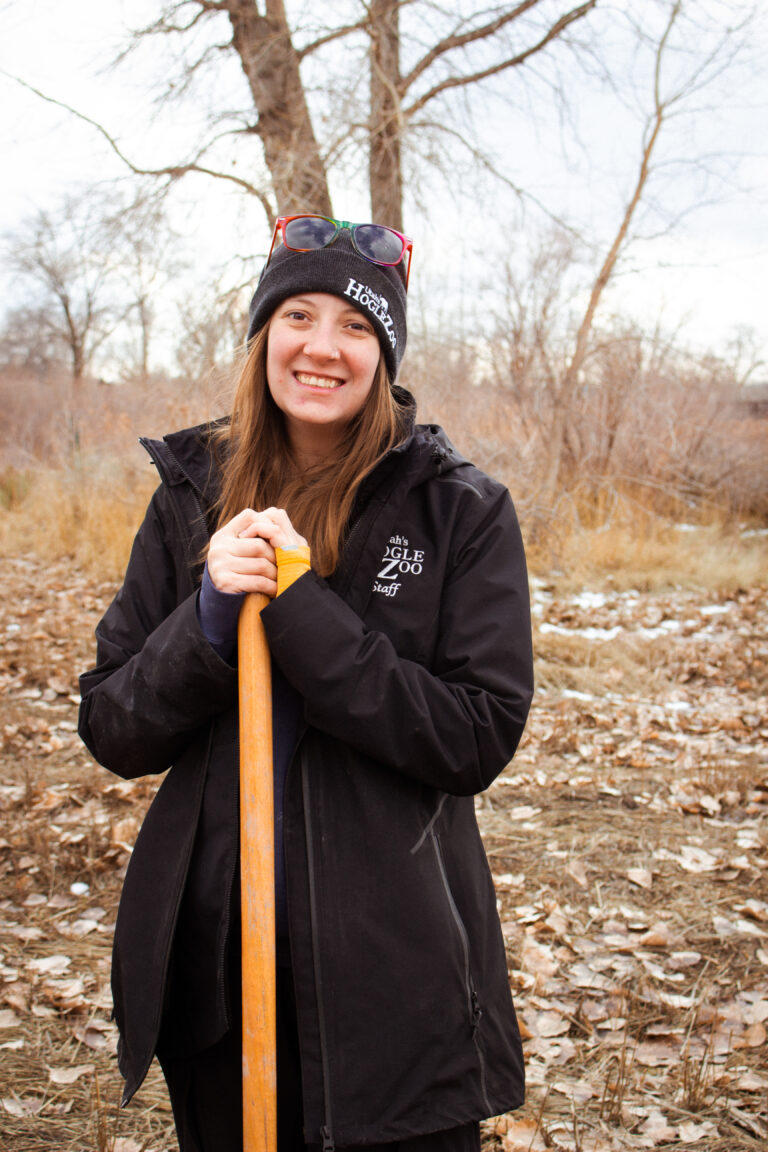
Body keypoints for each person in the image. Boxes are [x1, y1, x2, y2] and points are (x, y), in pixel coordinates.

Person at [78, 214, 534, 1152]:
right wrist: (205, 618)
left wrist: (300, 607)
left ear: (385, 352)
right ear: (263, 335)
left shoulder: (460, 509)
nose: (323, 348)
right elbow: (112, 727)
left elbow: (474, 738)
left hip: (396, 985)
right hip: (220, 967)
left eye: (357, 327)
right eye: (299, 317)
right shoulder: (190, 494)